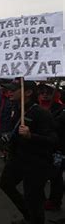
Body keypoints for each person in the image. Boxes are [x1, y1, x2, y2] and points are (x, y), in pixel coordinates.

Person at [0, 80, 58, 224]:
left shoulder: (41, 113)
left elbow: (52, 140)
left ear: (28, 92)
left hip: (37, 163)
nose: (9, 92)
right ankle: (28, 216)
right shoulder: (17, 108)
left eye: (13, 89)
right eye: (8, 89)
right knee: (5, 183)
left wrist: (31, 136)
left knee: (34, 200)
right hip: (18, 158)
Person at [37, 83, 65, 211]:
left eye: (48, 92)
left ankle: (54, 201)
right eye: (42, 92)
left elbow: (57, 126)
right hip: (42, 146)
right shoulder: (37, 106)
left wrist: (47, 119)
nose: (45, 94)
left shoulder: (60, 108)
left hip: (57, 147)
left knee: (55, 176)